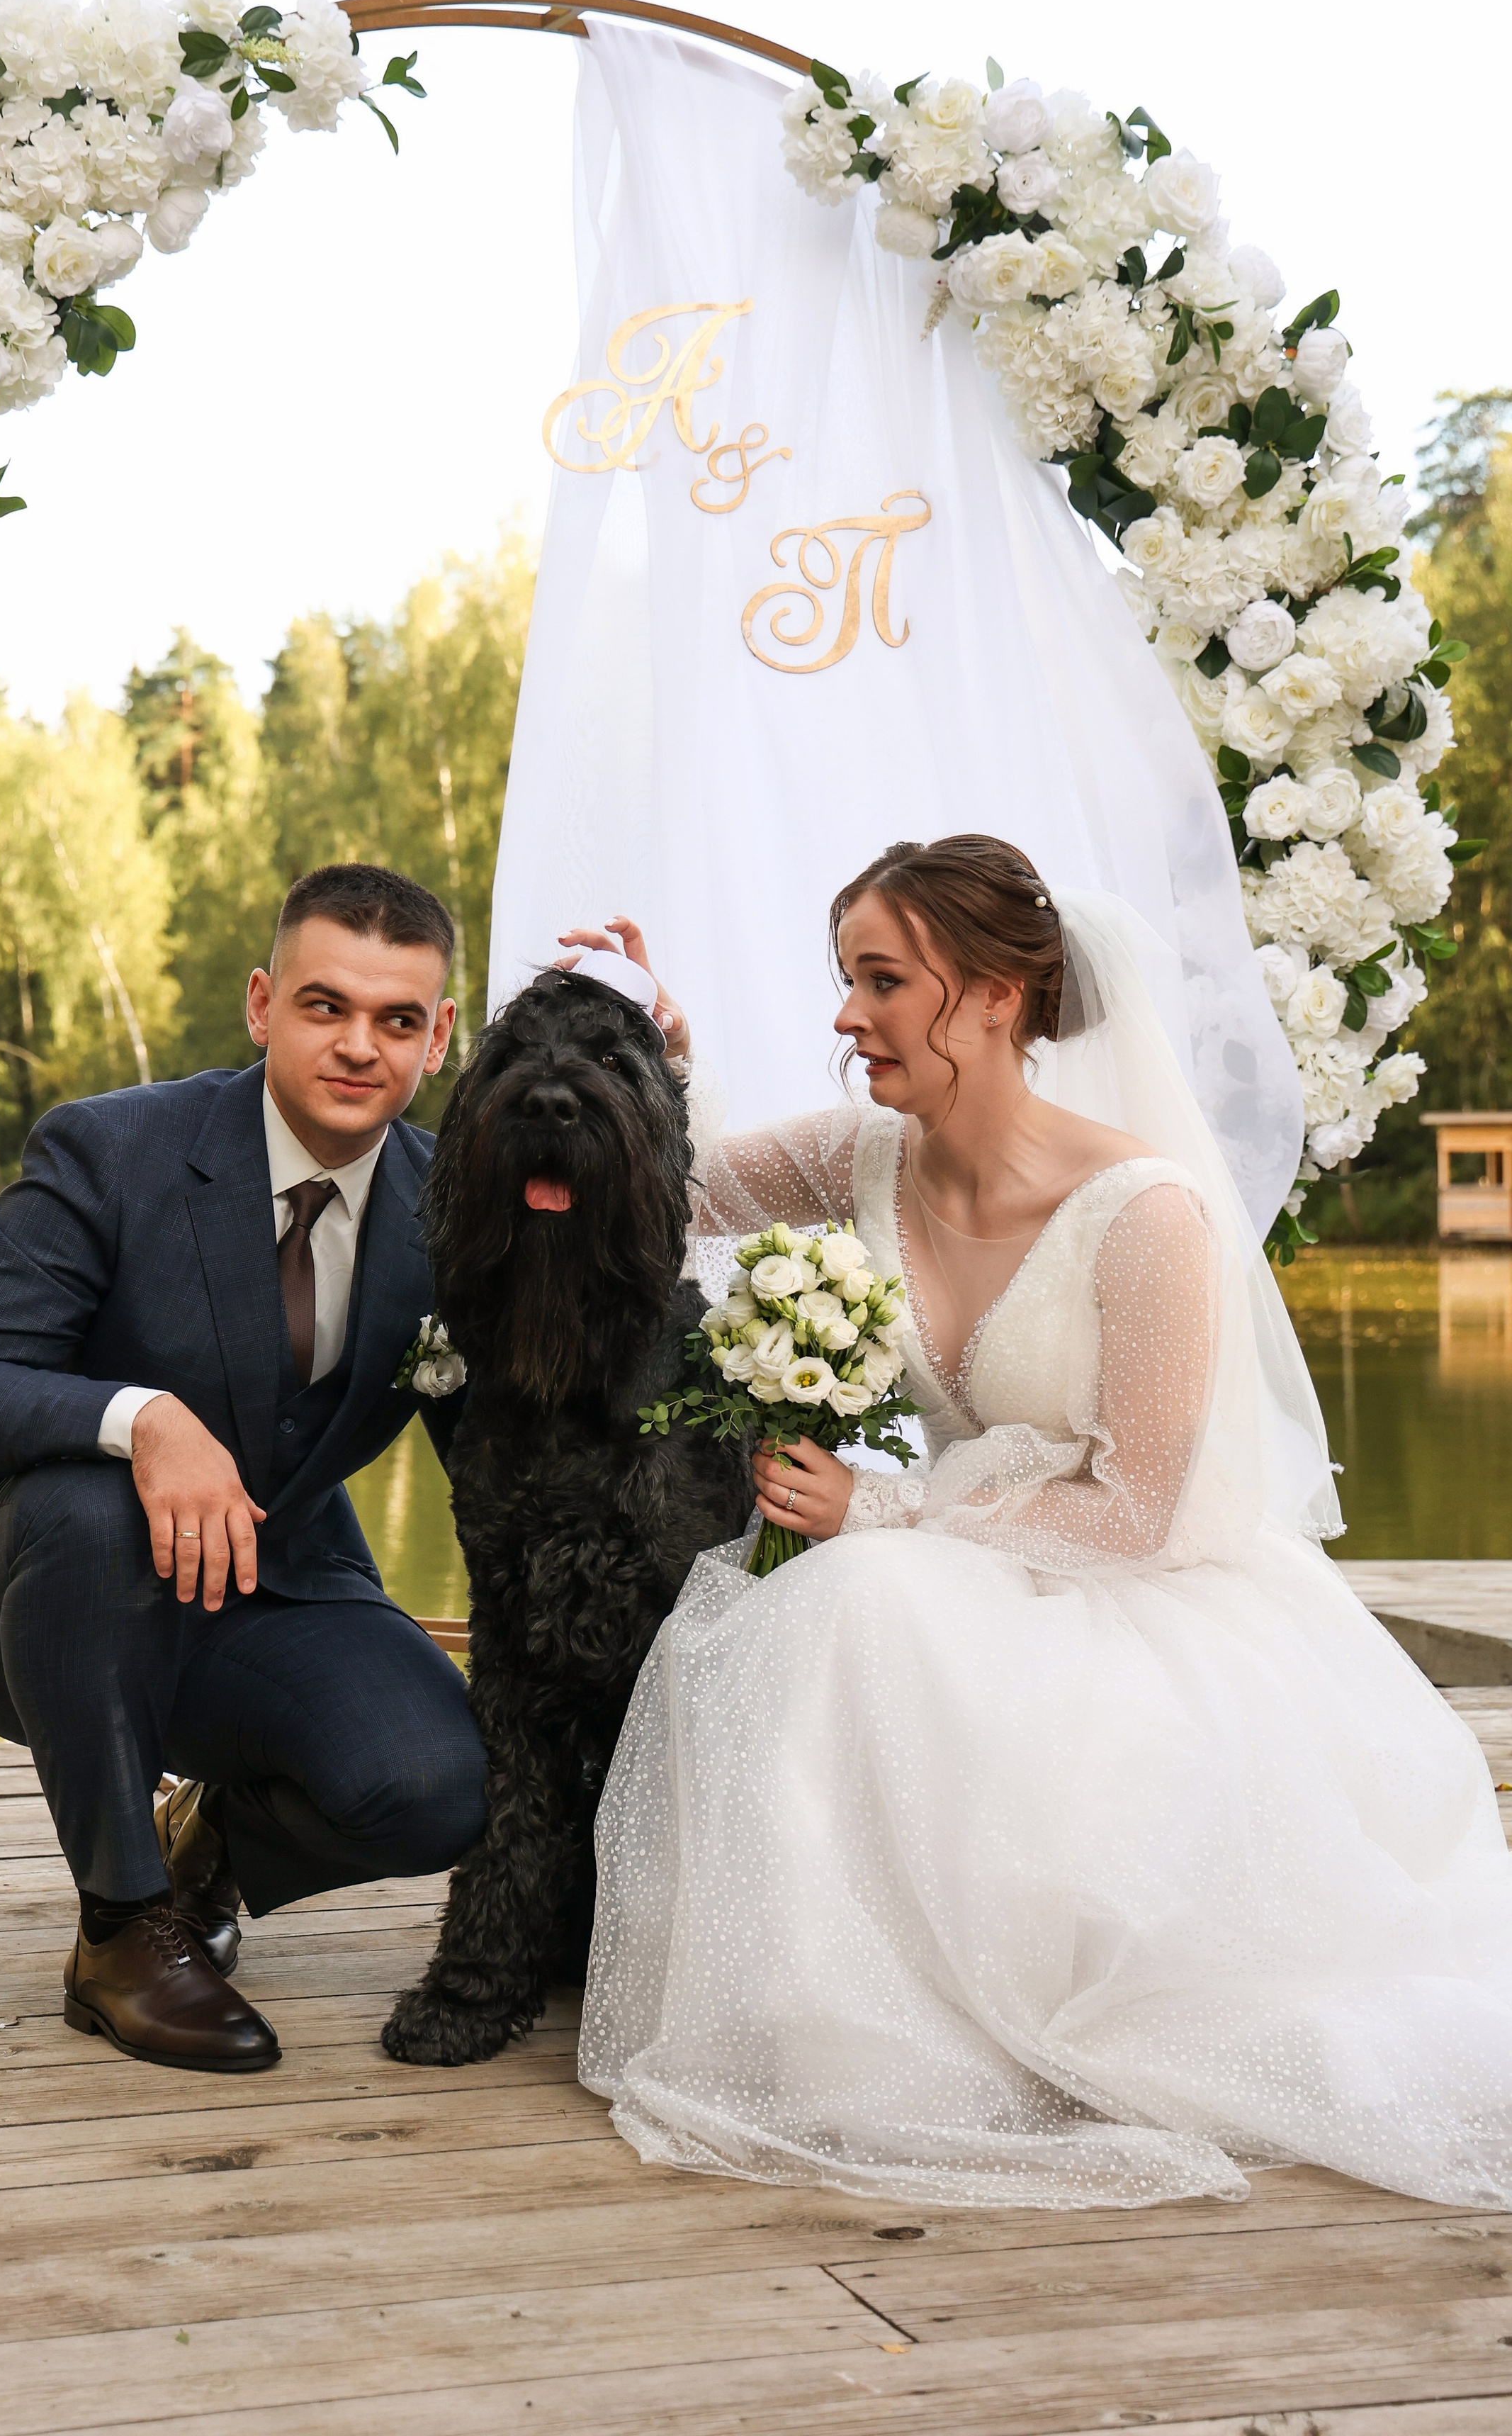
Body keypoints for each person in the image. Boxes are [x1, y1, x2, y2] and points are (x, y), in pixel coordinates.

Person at [565, 836, 1512, 2211]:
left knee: (851, 1599)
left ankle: (974, 2011)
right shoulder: (861, 1158)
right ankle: (847, 2020)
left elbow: (1135, 1511)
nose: (846, 1017)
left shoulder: (1145, 1216)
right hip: (961, 1569)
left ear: (999, 995)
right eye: (846, 980)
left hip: (1128, 1597)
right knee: (826, 1607)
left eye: (883, 981)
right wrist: (655, 1053)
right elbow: (675, 1195)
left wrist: (877, 1508)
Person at [0, 863, 487, 2073]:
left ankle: (206, 1844)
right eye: (326, 1006)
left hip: (275, 1591)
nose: (359, 1046)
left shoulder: (458, 1213)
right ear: (263, 1005)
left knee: (438, 1788)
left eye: (397, 1020)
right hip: (43, 1600)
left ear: (438, 1039)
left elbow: (498, 1456)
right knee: (90, 1499)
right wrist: (145, 1420)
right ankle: (120, 1934)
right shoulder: (112, 1150)